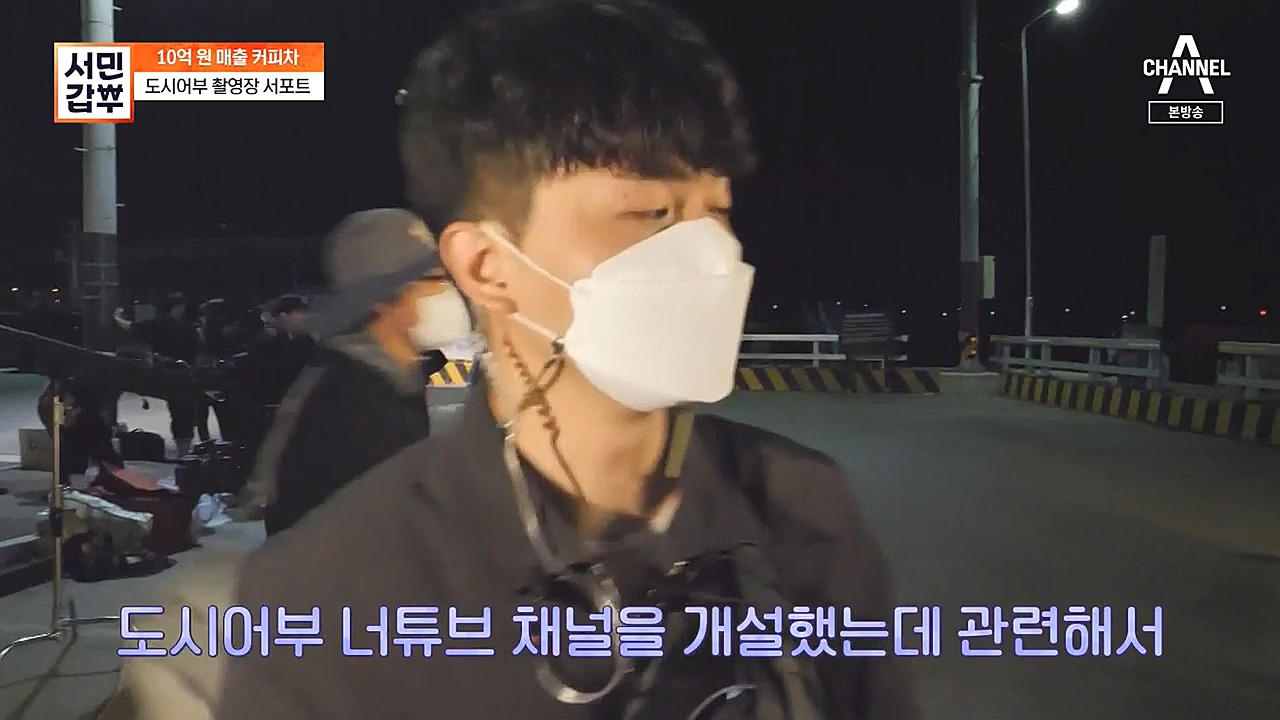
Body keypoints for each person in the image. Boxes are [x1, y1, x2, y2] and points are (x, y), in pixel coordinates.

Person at [138, 1, 915, 718]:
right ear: (486, 267)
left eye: (716, 211)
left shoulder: (804, 511)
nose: (710, 254)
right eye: (650, 213)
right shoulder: (325, 597)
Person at [244, 208, 471, 536]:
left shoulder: (395, 377)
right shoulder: (353, 404)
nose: (447, 293)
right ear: (382, 299)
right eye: (433, 280)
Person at [113, 293, 202, 456]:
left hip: (158, 371)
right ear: (178, 307)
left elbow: (130, 327)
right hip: (182, 373)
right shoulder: (188, 327)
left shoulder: (155, 324)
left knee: (176, 410)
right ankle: (183, 450)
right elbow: (198, 350)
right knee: (183, 413)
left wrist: (117, 317)